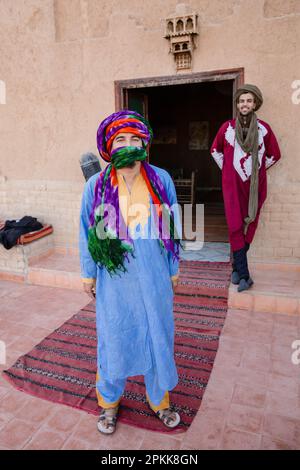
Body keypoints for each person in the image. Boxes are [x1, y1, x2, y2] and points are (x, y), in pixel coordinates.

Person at [79, 110, 181, 434]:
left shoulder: (161, 179)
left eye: (134, 138)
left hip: (154, 276)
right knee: (114, 337)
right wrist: (88, 272)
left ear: (144, 143)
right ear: (110, 145)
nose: (128, 144)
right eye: (120, 139)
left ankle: (160, 401)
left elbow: (172, 227)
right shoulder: (96, 185)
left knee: (158, 334)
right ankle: (109, 403)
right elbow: (85, 230)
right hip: (115, 279)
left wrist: (173, 269)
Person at [211, 84, 281, 292]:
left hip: (255, 185)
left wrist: (257, 170)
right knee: (234, 225)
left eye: (249, 100)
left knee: (250, 223)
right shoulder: (227, 128)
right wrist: (229, 171)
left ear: (255, 103)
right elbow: (215, 151)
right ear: (237, 104)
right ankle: (244, 275)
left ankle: (236, 268)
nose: (245, 104)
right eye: (242, 101)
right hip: (232, 185)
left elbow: (274, 155)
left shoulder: (264, 129)